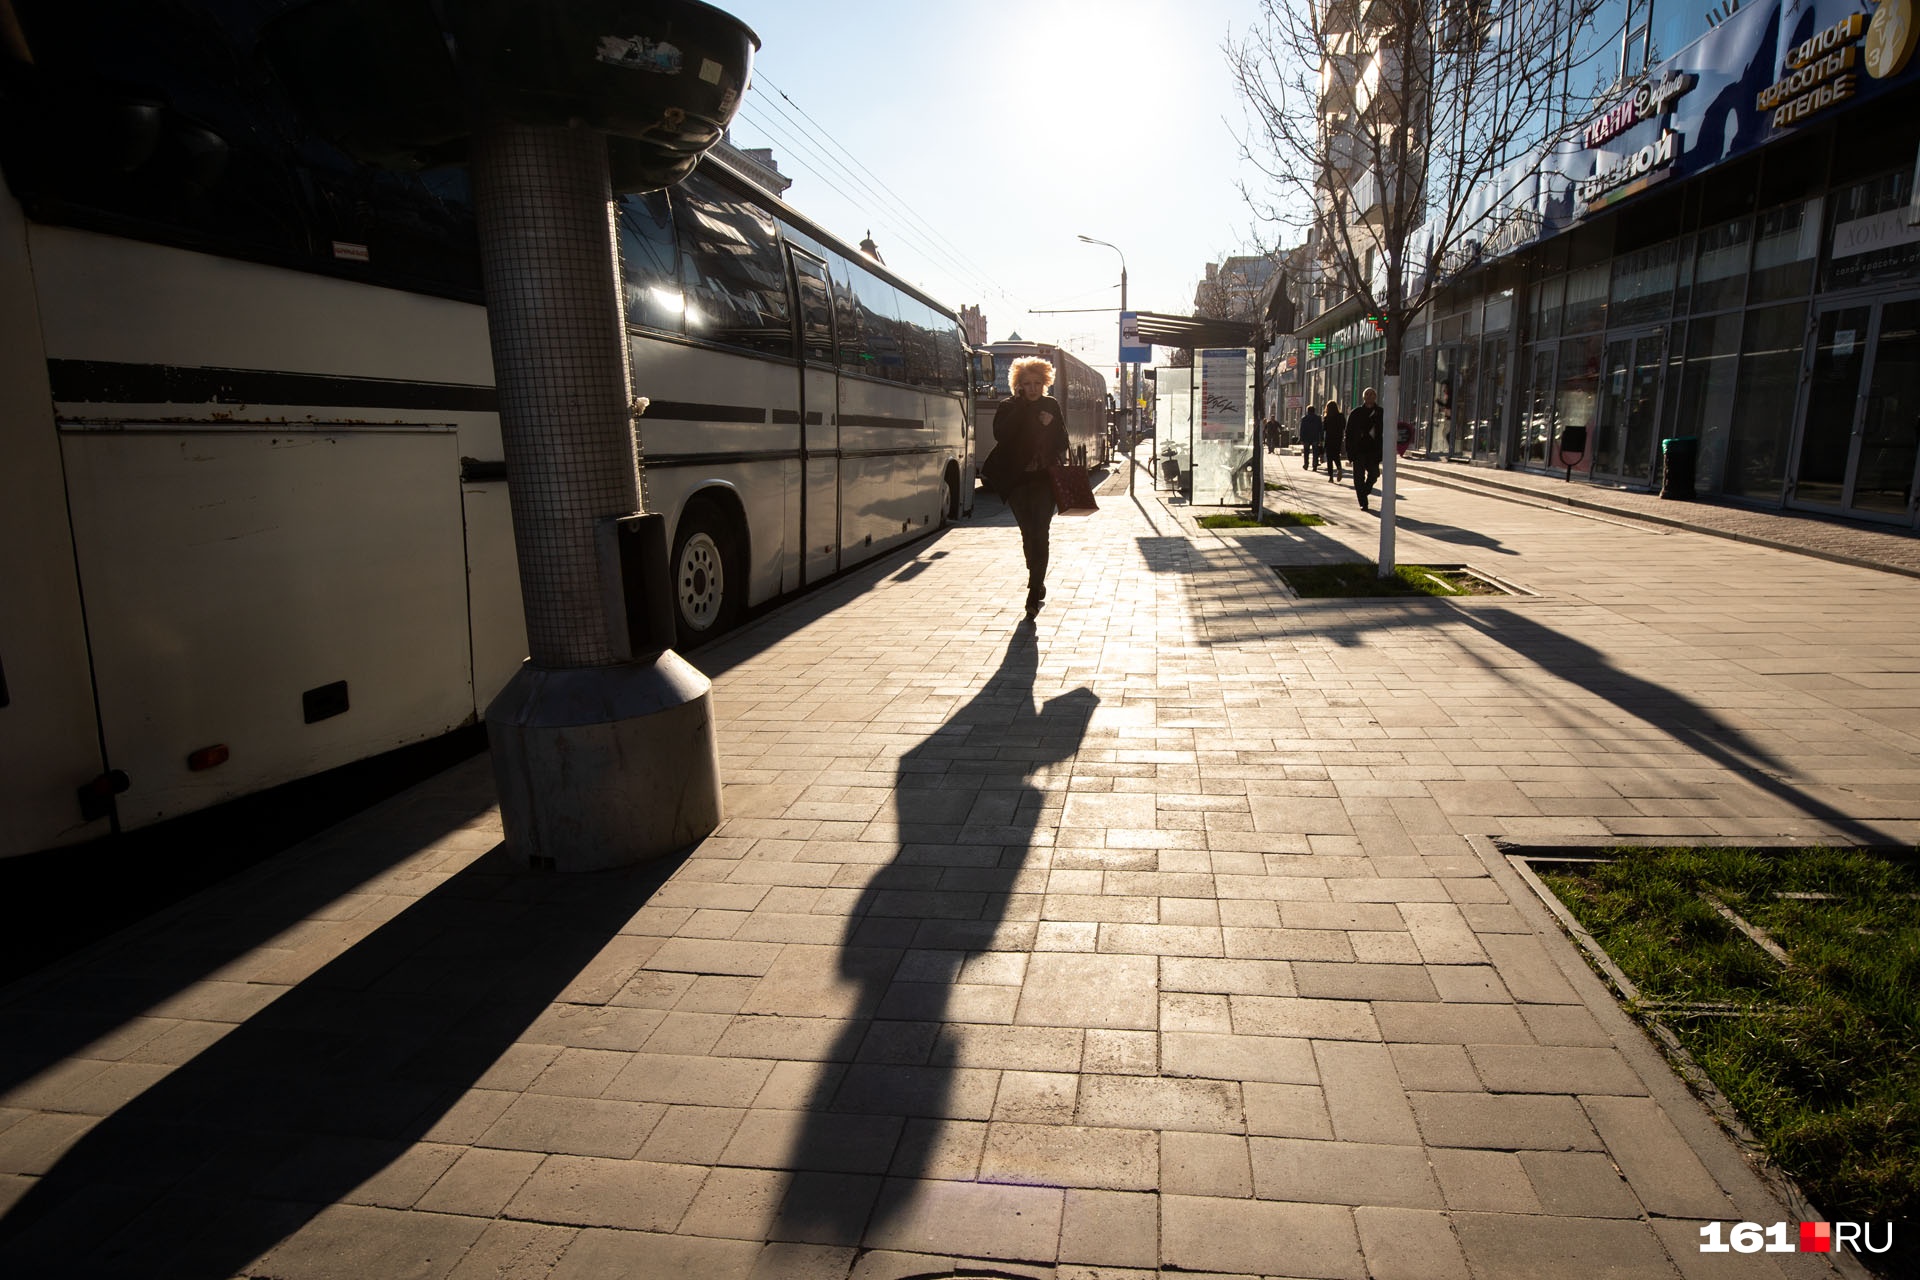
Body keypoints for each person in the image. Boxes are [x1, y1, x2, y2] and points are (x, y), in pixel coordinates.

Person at [991, 356, 1071, 620]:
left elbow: (1063, 442)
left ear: (1045, 382)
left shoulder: (1051, 405)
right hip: (1017, 481)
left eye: (1038, 383)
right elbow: (1001, 436)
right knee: (1027, 534)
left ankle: (1034, 590)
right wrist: (1024, 410)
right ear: (1019, 385)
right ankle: (1035, 575)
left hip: (1043, 480)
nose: (1033, 388)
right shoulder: (1008, 407)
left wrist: (1050, 427)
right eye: (1027, 383)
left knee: (1041, 531)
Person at [1347, 386, 1385, 512]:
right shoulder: (1356, 413)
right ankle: (1363, 502)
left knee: (1374, 474)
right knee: (1358, 478)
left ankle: (1365, 491)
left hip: (1373, 451)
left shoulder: (1381, 412)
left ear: (1375, 397)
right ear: (1363, 397)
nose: (1369, 396)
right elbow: (1349, 433)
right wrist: (1349, 452)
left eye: (1372, 394)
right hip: (1358, 450)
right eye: (1367, 394)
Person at [1322, 398, 1347, 482]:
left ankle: (1331, 477)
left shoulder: (1327, 417)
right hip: (1338, 439)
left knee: (1329, 458)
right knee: (1336, 455)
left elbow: (1324, 428)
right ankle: (1339, 468)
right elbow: (1344, 426)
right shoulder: (1341, 416)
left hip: (1329, 439)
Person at [1299, 403, 1324, 472]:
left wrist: (1301, 438)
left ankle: (1306, 464)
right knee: (1315, 452)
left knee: (1306, 452)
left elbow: (1302, 429)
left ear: (1308, 411)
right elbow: (1320, 429)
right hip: (1315, 437)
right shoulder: (1318, 418)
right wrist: (1321, 438)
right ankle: (1315, 465)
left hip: (1306, 438)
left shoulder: (1304, 418)